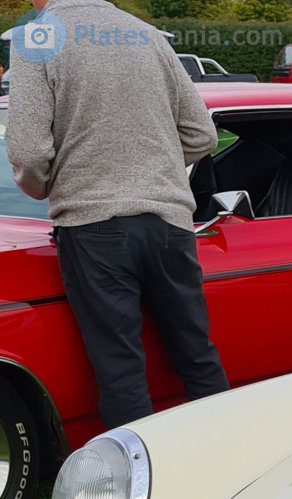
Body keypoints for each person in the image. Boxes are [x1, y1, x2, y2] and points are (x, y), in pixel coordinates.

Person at [6, 0, 228, 430]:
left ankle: (140, 487)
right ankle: (235, 462)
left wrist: (47, 186)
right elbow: (202, 133)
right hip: (170, 222)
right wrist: (152, 166)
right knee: (197, 355)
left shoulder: (37, 37)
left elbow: (30, 153)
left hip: (93, 224)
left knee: (120, 369)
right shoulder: (145, 33)